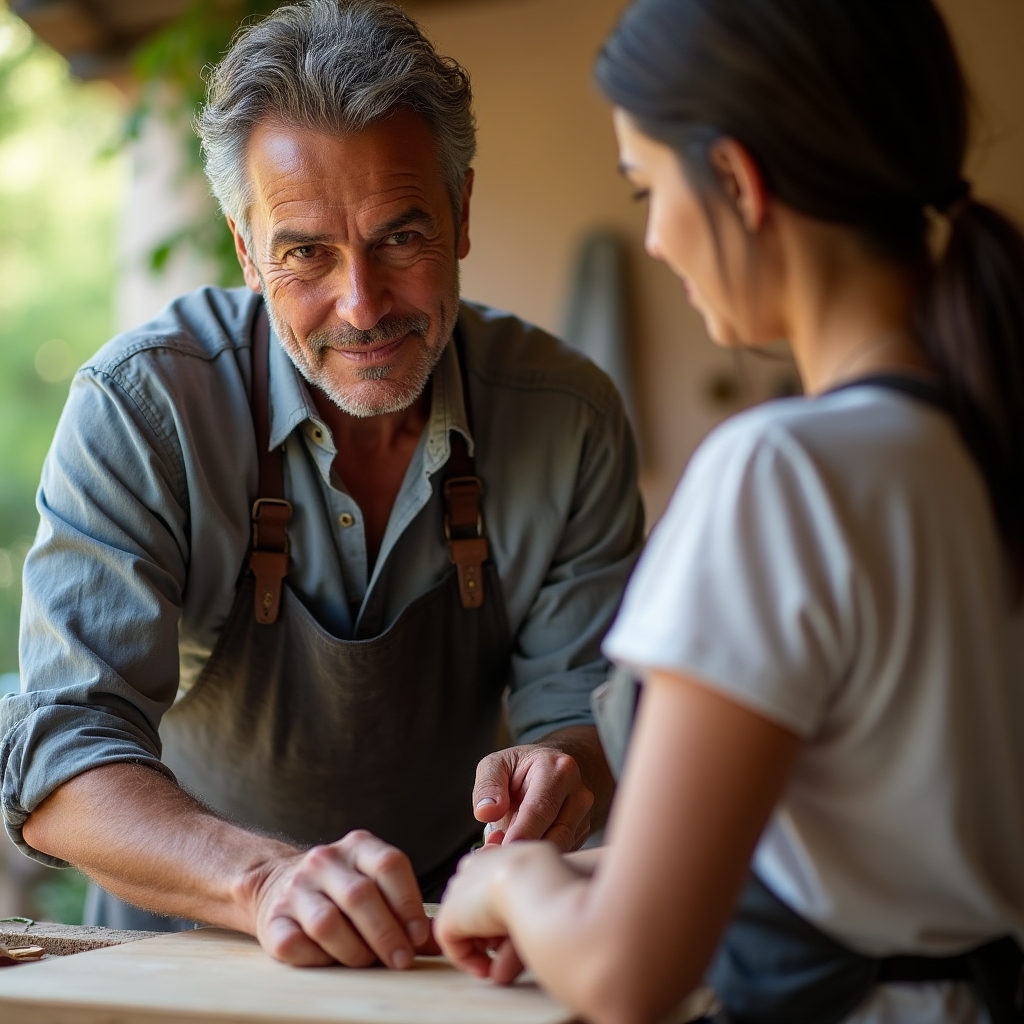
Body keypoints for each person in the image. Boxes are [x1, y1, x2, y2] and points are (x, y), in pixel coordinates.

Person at [0, 0, 643, 971]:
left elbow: (584, 711)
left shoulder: (570, 417)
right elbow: (56, 760)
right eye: (306, 252)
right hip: (184, 954)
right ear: (246, 247)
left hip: (447, 954)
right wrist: (263, 882)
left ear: (462, 212)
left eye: (400, 237)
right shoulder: (145, 408)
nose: (362, 304)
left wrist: (565, 772)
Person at [434, 1, 1024, 1022]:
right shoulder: (981, 442)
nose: (654, 239)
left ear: (739, 183)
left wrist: (507, 883)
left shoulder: (782, 472)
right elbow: (870, 850)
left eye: (647, 187)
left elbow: (628, 974)